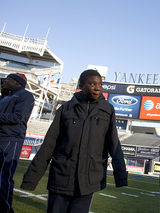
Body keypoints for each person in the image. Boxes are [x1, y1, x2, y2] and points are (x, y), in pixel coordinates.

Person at [21, 70, 128, 213]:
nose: (97, 88)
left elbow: (113, 143)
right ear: (81, 85)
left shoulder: (108, 110)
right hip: (61, 176)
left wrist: (121, 177)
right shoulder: (65, 108)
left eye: (100, 84)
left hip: (88, 181)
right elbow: (49, 145)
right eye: (92, 84)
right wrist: (31, 179)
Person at [0, 73, 35, 213]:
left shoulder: (25, 95)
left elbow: (17, 117)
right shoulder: (6, 96)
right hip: (3, 136)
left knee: (4, 176)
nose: (5, 81)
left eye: (8, 79)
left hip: (11, 138)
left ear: (17, 82)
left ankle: (6, 210)